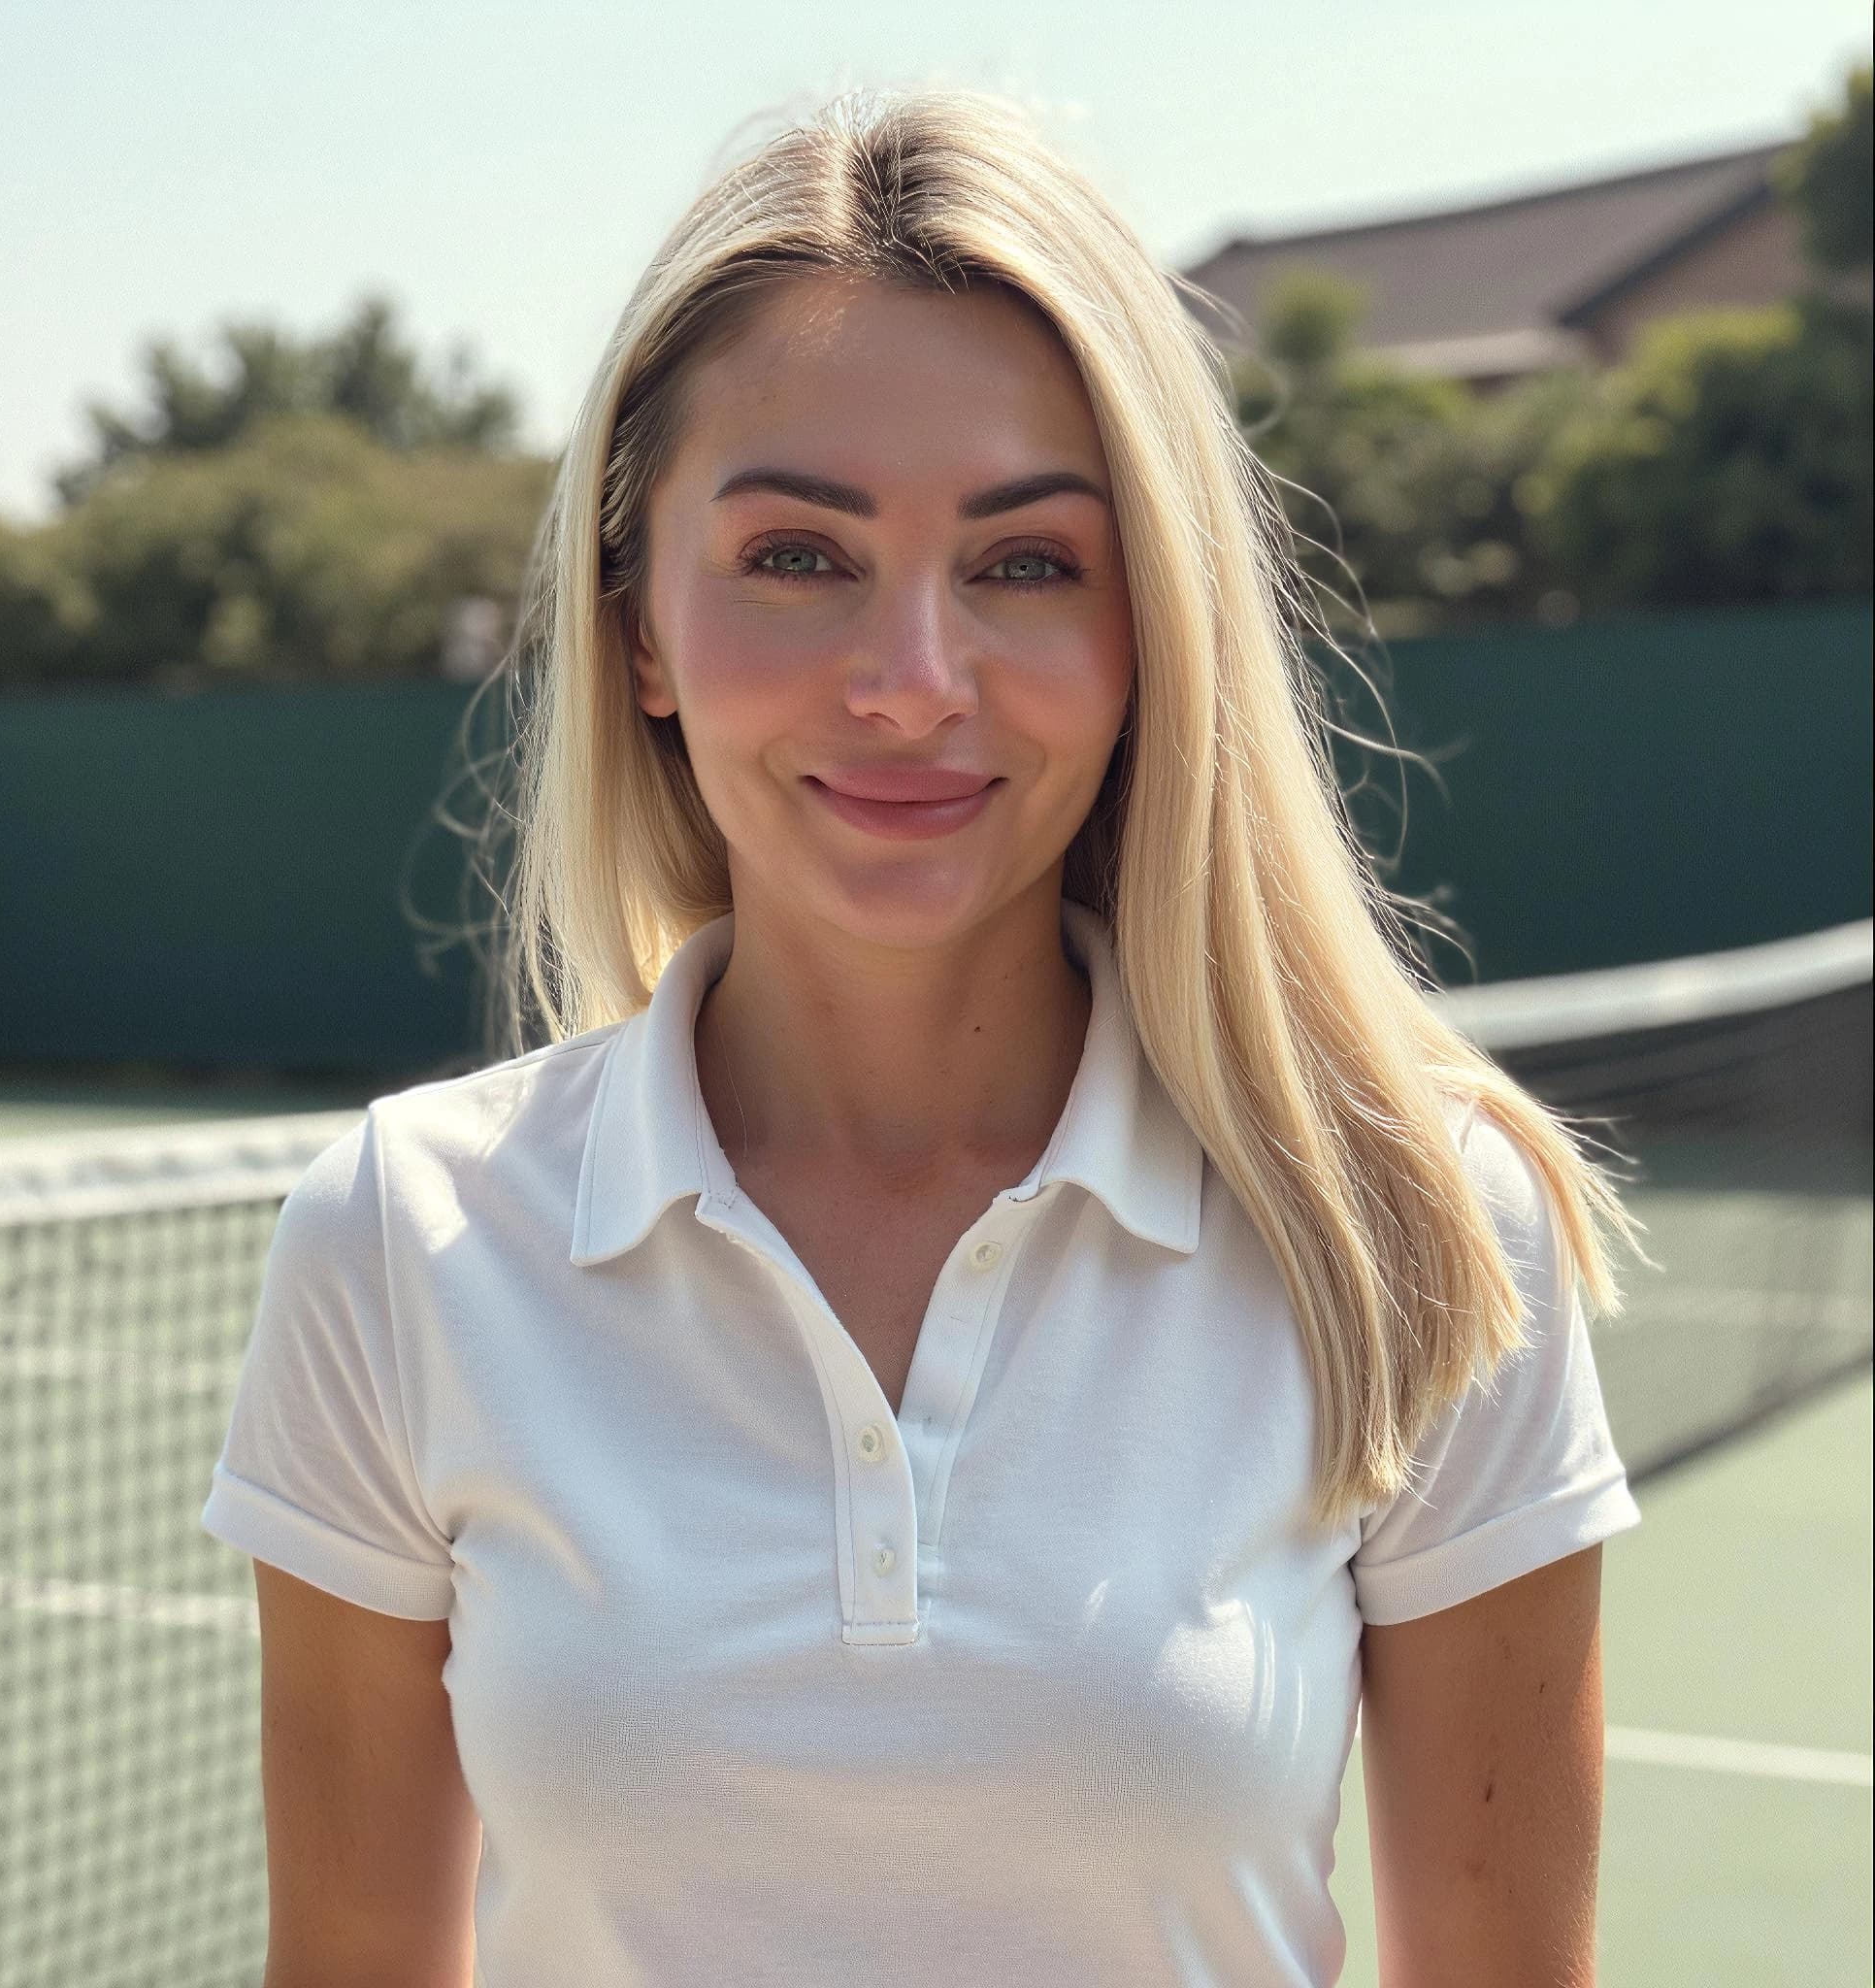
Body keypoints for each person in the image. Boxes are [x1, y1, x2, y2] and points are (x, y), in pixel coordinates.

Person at [202, 85, 1644, 1988]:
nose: (911, 682)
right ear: (640, 626)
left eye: (1026, 563)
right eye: (797, 554)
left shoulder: (1417, 1224)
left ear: (1153, 632)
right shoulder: (400, 1236)